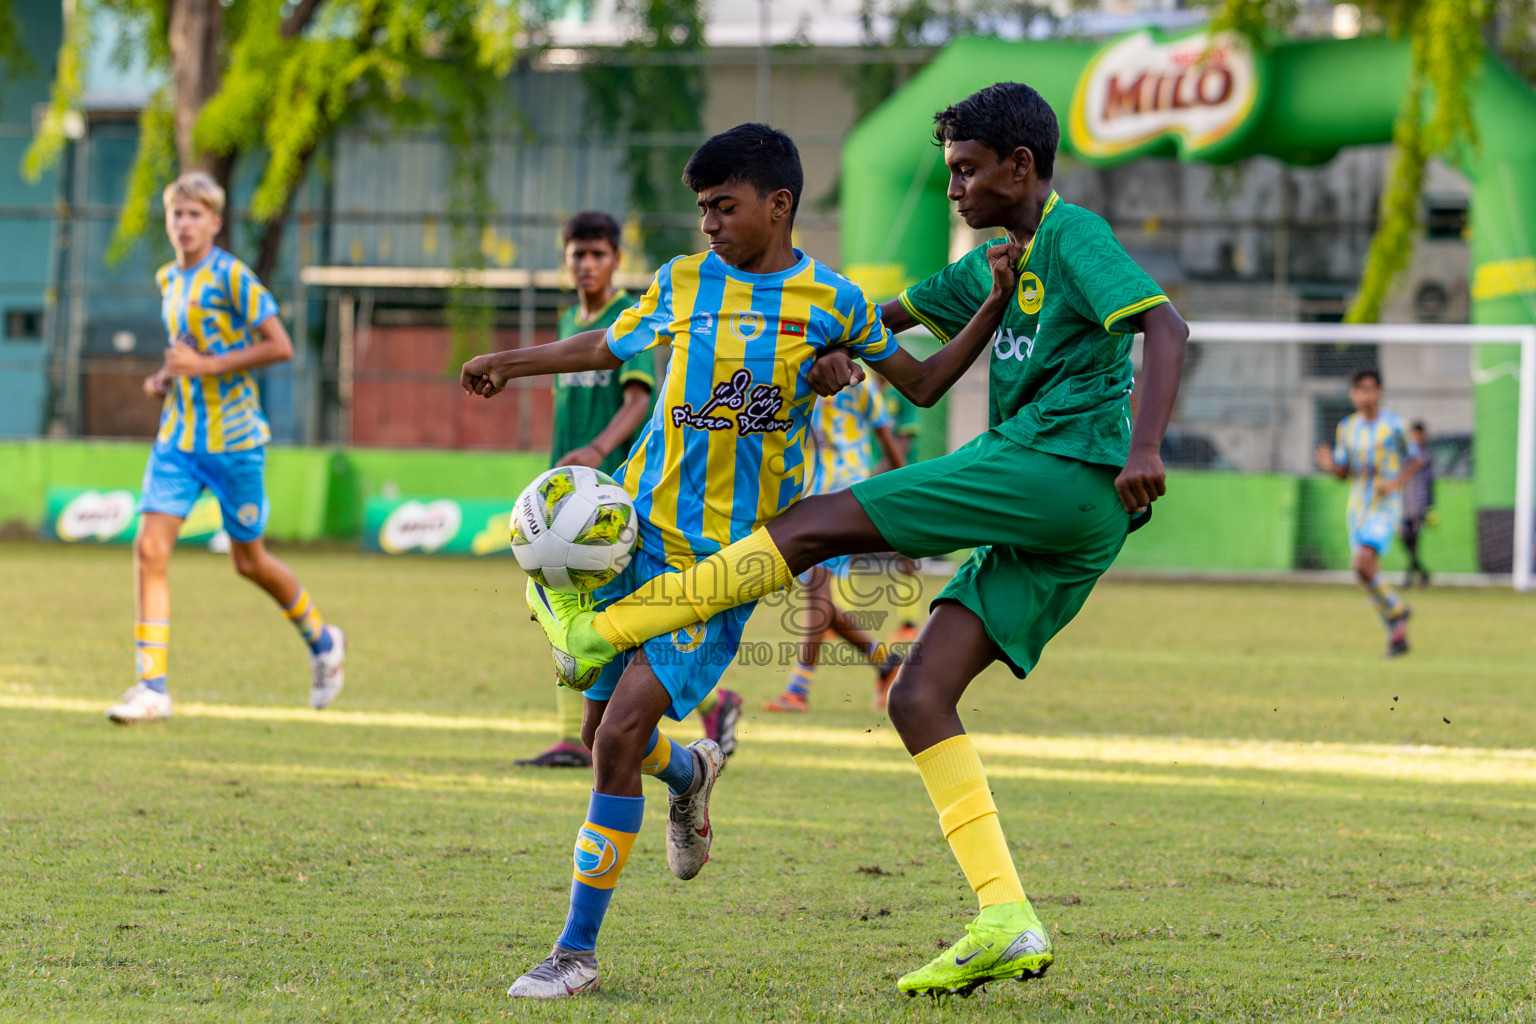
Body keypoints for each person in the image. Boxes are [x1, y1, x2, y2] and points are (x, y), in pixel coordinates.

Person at [521, 82, 1189, 997]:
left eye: (965, 171)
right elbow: (886, 333)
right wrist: (825, 353)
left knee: (808, 522)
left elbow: (1166, 324)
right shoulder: (995, 262)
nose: (952, 188)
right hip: (1068, 521)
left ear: (1020, 168)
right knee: (918, 695)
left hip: (1064, 465)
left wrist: (1146, 444)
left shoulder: (1073, 235)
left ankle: (600, 627)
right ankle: (1005, 915)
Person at [462, 122, 1023, 1000]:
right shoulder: (683, 282)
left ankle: (574, 951)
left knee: (613, 739)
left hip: (729, 565)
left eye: (724, 207)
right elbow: (606, 345)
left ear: (779, 204)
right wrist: (510, 362)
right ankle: (691, 771)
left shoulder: (830, 303)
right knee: (602, 735)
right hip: (634, 540)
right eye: (702, 209)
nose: (710, 224)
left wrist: (987, 308)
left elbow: (919, 382)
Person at [107, 172, 345, 724]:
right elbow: (188, 348)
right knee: (149, 550)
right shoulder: (170, 279)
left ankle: (323, 640)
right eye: (177, 214)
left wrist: (207, 367)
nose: (185, 224)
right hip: (178, 440)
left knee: (249, 561)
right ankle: (152, 687)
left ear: (215, 222)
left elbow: (279, 346)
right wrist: (165, 377)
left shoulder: (232, 277)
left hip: (235, 442)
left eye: (196, 215)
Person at [516, 211, 742, 768]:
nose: (587, 264)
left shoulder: (625, 319)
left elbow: (638, 399)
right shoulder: (571, 317)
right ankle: (701, 711)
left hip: (616, 497)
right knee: (575, 605)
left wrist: (596, 452)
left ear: (616, 259)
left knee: (592, 614)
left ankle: (589, 734)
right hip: (567, 499)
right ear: (565, 258)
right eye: (578, 254)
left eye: (598, 254)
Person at [765, 373, 907, 714]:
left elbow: (886, 438)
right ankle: (887, 664)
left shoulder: (861, 383)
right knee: (822, 602)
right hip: (811, 496)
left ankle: (798, 690)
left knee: (817, 594)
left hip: (848, 499)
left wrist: (905, 494)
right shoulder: (801, 376)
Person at [1314, 367, 1421, 655]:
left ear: (1380, 392)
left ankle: (1397, 613)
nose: (1366, 395)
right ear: (1352, 394)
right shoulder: (1347, 428)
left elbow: (1416, 460)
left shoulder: (1397, 426)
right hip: (1358, 507)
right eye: (1360, 389)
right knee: (1365, 573)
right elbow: (1343, 472)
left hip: (1386, 506)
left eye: (1371, 388)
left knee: (1361, 563)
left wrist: (1395, 482)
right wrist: (1329, 465)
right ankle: (1397, 628)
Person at [1401, 420, 1435, 587]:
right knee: (1405, 538)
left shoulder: (1426, 457)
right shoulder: (1405, 455)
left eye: (1419, 434)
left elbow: (1430, 483)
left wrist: (1431, 506)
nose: (1416, 437)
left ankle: (1410, 577)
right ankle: (1422, 572)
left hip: (1419, 505)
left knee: (1415, 539)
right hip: (1403, 504)